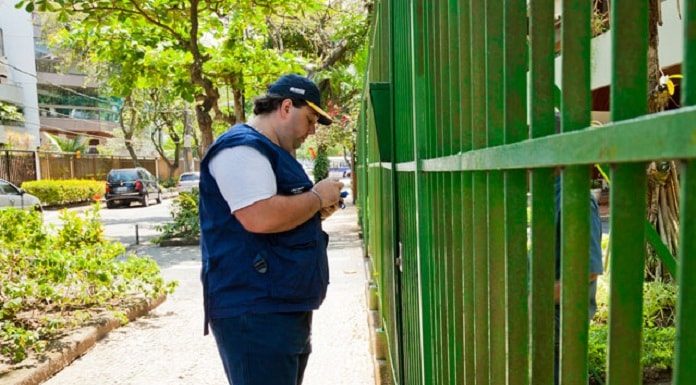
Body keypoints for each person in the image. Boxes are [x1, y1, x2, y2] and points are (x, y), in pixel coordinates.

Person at [199, 74, 344, 385]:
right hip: (256, 311)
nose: (311, 130)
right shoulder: (241, 149)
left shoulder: (271, 151)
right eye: (309, 119)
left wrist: (315, 212)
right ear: (286, 106)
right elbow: (260, 217)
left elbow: (277, 221)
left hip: (280, 305)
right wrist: (316, 197)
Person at [553, 177, 604, 385]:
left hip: (561, 315)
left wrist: (536, 295)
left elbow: (588, 270)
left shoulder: (575, 198)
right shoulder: (550, 193)